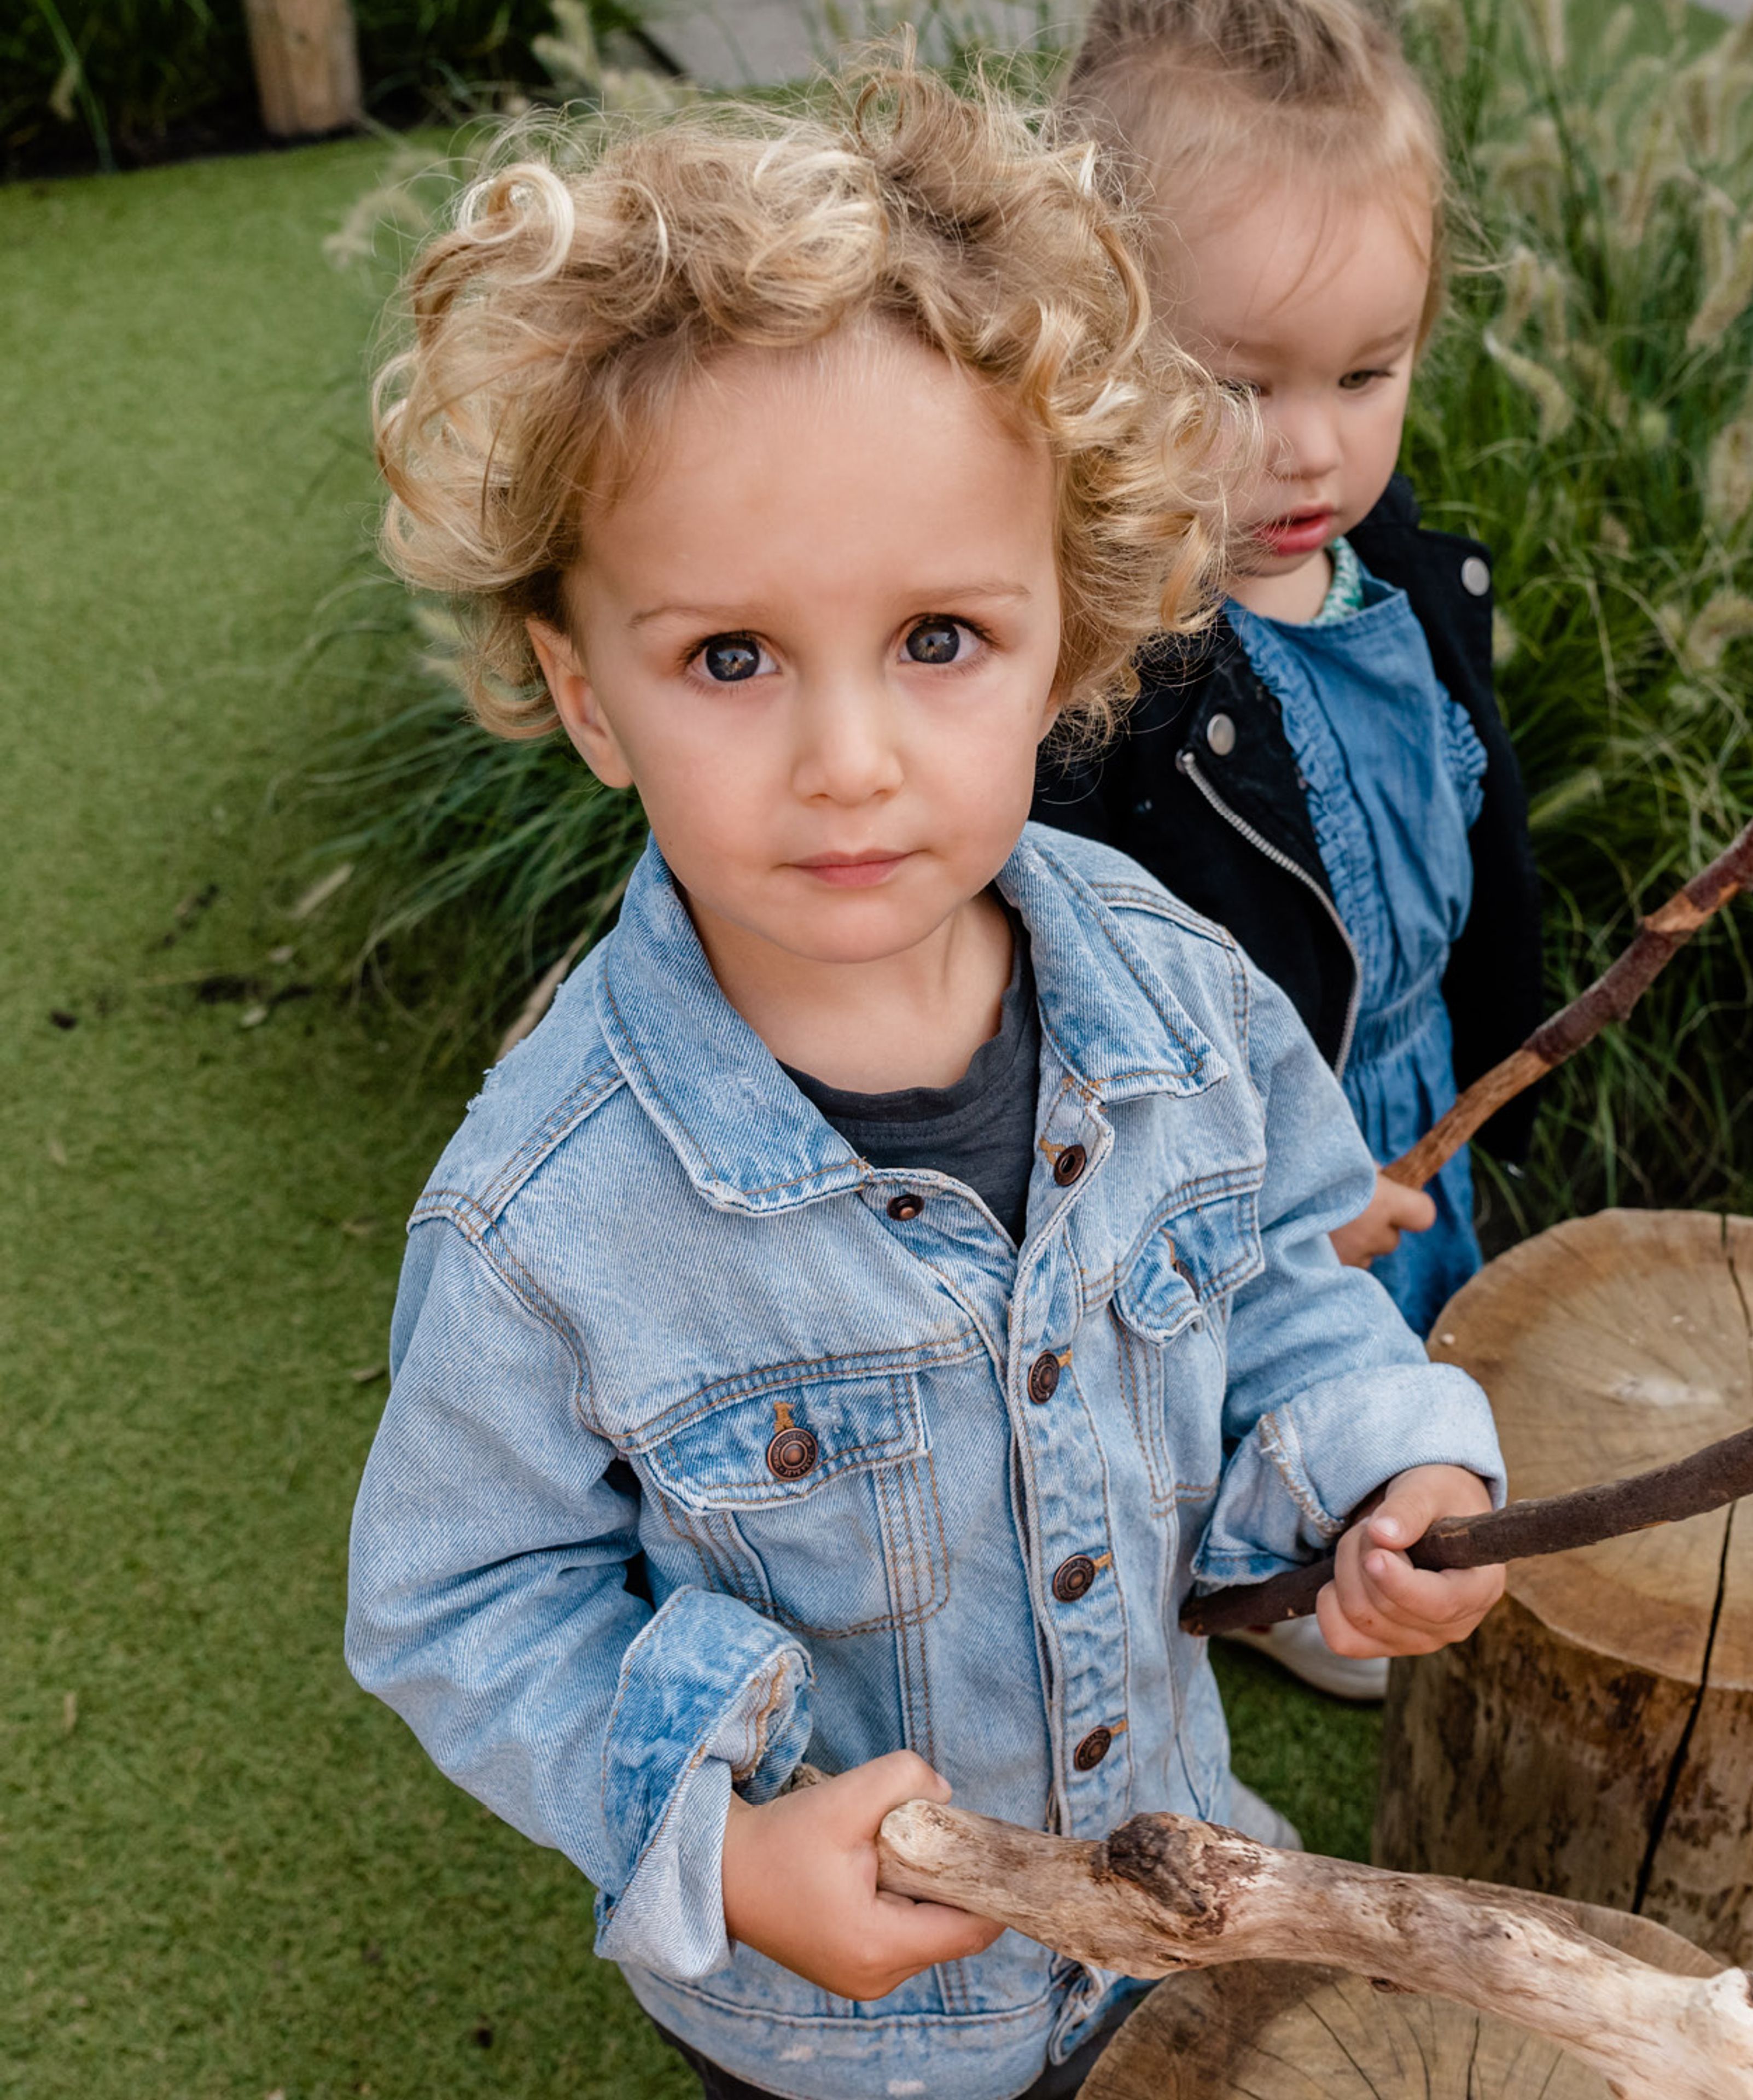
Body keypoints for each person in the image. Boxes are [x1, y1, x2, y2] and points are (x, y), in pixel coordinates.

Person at [343, 59, 1507, 2100]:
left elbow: (1286, 1280)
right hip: (843, 2034)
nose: (850, 762)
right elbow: (466, 1600)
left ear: (1071, 636)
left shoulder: (1185, 1002)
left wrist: (1388, 1466)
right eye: (730, 659)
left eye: (942, 639)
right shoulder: (547, 1217)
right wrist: (719, 1845)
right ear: (584, 694)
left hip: (1174, 1922)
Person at [1036, 0, 1544, 1699]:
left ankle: (1405, 1479)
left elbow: (1468, 821)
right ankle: (1291, 1558)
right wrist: (1271, 1201)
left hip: (1416, 1088)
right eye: (1236, 385)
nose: (1311, 446)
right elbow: (1089, 1014)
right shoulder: (1104, 679)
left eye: (1365, 373)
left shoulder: (1401, 574)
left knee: (1425, 1316)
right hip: (1247, 1158)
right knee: (1260, 1388)